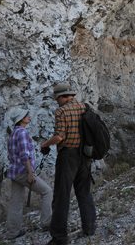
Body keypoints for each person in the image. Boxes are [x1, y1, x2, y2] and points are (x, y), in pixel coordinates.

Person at [41, 83, 96, 245]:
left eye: (57, 98)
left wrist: (44, 144)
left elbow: (59, 137)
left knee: (61, 196)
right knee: (84, 192)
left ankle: (59, 238)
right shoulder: (84, 107)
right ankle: (89, 227)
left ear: (62, 97)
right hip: (85, 155)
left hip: (68, 156)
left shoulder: (61, 111)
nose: (57, 102)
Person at [6, 107, 52, 239]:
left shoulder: (13, 133)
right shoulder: (22, 133)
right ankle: (46, 223)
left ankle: (12, 232)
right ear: (21, 119)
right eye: (26, 115)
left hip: (14, 171)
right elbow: (24, 155)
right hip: (23, 171)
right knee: (47, 191)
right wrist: (30, 173)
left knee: (16, 201)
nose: (29, 116)